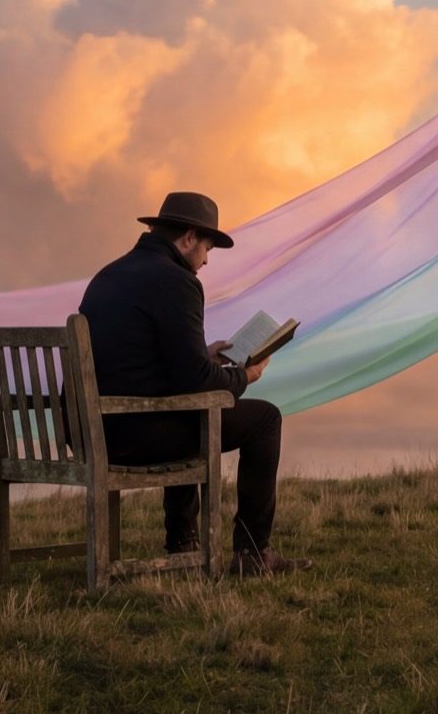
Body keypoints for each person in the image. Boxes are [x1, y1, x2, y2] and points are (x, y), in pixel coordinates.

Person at [78, 191, 309, 575]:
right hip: (133, 435)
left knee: (187, 409)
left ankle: (183, 543)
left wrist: (203, 354)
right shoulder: (178, 282)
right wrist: (243, 376)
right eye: (206, 249)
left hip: (90, 431)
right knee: (264, 419)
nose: (205, 261)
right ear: (188, 238)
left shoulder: (108, 275)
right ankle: (252, 554)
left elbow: (140, 359)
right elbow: (196, 383)